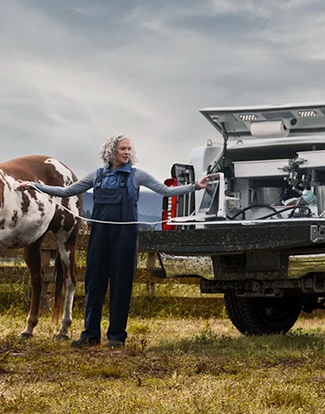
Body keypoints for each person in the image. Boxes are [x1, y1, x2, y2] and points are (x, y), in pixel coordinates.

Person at [18, 133, 208, 348]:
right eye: (122, 149)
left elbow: (165, 191)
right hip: (99, 235)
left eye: (129, 149)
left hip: (125, 236)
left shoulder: (137, 176)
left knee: (121, 284)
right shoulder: (96, 176)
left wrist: (195, 186)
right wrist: (36, 186)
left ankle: (117, 336)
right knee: (93, 283)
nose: (127, 152)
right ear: (111, 152)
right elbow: (67, 191)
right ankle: (90, 334)